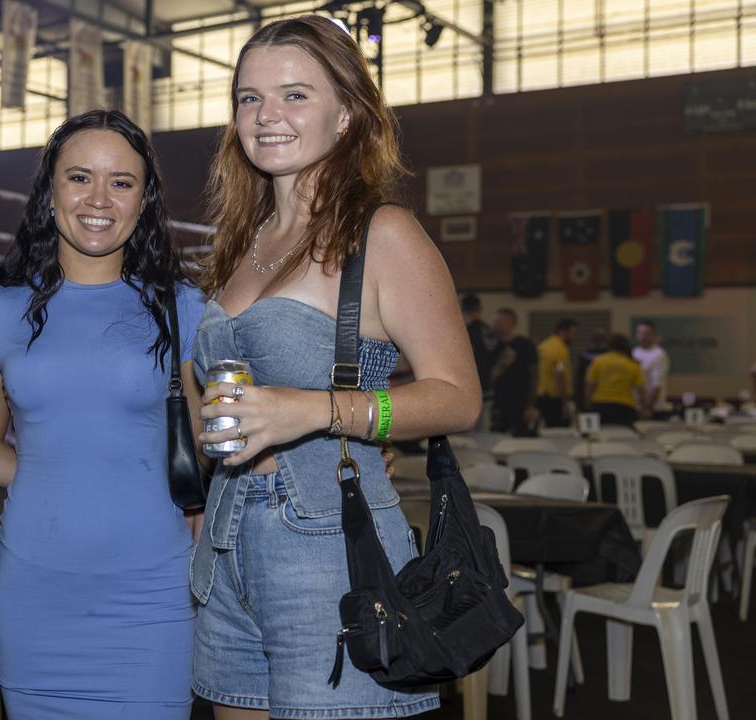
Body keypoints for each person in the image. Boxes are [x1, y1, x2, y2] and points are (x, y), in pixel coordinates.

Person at [190, 16, 480, 720]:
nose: (266, 116)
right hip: (224, 546)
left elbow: (457, 397)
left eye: (294, 95)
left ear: (348, 113)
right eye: (249, 98)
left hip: (329, 549)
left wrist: (318, 409)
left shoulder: (382, 233)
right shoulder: (242, 242)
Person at [0, 110, 206, 719]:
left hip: (151, 596)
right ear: (48, 194)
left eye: (122, 182)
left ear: (144, 201)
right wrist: (45, 471)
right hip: (35, 592)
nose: (99, 198)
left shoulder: (184, 309)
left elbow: (211, 445)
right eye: (79, 177)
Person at [489, 308, 537, 435]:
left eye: (498, 322)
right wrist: (503, 363)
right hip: (498, 403)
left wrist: (531, 405)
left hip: (520, 403)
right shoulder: (492, 346)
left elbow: (534, 376)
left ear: (509, 322)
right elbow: (490, 377)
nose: (494, 325)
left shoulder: (525, 344)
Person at [585, 333, 646, 426]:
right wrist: (644, 407)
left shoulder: (598, 361)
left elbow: (590, 385)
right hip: (625, 407)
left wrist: (588, 403)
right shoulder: (633, 364)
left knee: (598, 437)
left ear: (609, 346)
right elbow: (641, 389)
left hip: (600, 405)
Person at [462, 292, 498, 429]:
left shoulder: (462, 331)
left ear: (462, 308)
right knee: (484, 433)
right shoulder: (489, 331)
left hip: (466, 389)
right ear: (480, 308)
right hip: (487, 388)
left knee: (466, 434)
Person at [535, 318, 578, 427]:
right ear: (563, 332)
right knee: (560, 434)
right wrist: (564, 403)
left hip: (541, 397)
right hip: (556, 399)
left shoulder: (543, 346)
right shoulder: (561, 349)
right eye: (572, 333)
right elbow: (559, 375)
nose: (574, 337)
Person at [633, 320, 670, 417]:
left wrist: (648, 408)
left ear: (653, 335)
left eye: (646, 334)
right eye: (640, 333)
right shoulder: (634, 352)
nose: (642, 337)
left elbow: (657, 385)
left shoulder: (659, 354)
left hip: (653, 408)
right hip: (636, 406)